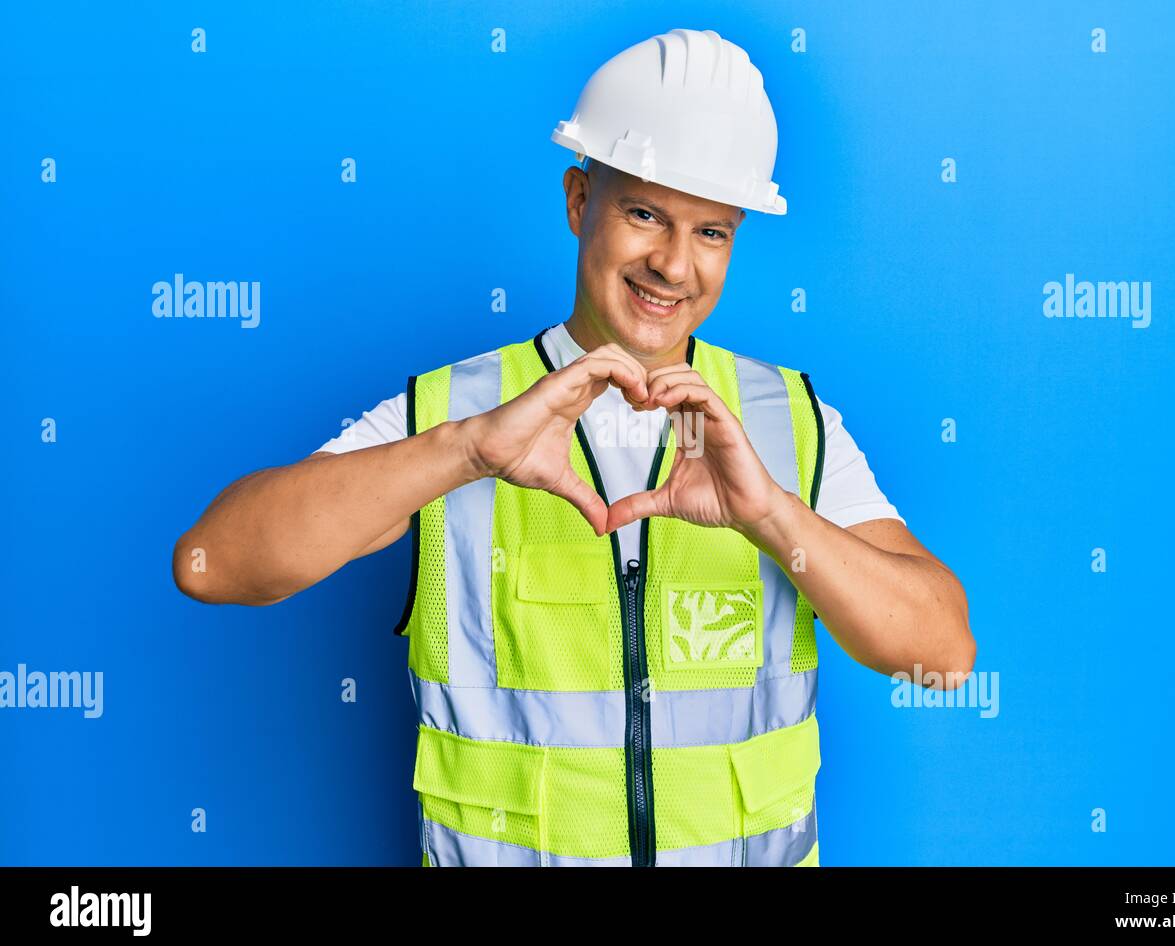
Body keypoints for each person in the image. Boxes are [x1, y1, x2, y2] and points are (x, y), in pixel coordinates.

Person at [173, 28, 975, 867]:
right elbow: (210, 565)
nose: (673, 265)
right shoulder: (457, 411)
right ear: (577, 202)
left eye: (712, 232)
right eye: (644, 214)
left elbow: (944, 654)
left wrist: (770, 515)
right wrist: (468, 452)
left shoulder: (791, 421)